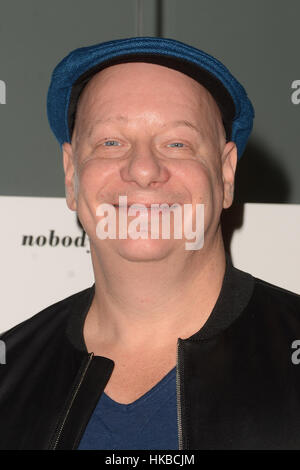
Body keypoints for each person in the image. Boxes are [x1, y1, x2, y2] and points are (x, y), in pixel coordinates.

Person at [0, 36, 300, 451]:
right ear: (71, 175)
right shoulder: (9, 375)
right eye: (111, 142)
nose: (143, 169)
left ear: (226, 175)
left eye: (177, 143)